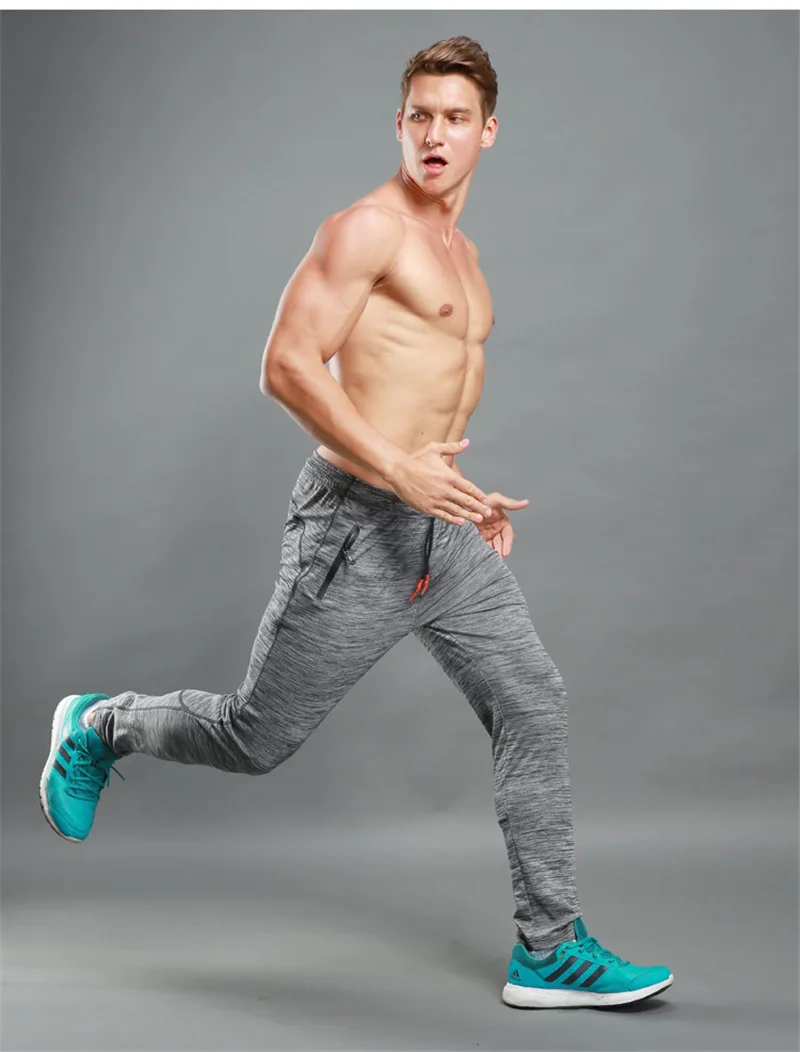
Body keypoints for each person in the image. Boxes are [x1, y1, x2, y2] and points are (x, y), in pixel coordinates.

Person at [39, 36, 673, 1009]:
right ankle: (101, 723)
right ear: (398, 124)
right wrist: (399, 473)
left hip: (438, 530)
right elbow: (286, 364)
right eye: (420, 115)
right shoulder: (366, 230)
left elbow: (415, 399)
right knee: (257, 736)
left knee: (533, 699)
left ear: (488, 131)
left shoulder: (465, 257)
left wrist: (458, 492)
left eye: (455, 117)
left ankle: (547, 948)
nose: (434, 134)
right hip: (354, 525)